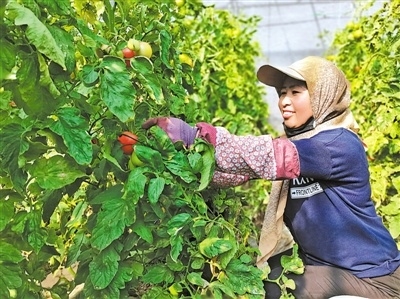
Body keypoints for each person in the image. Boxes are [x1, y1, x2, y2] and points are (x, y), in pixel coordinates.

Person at [142, 56, 400, 298]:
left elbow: (265, 156)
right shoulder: (301, 145)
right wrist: (179, 162)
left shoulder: (337, 144)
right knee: (268, 271)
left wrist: (196, 137)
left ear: (324, 95)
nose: (284, 101)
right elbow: (240, 171)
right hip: (327, 266)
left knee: (269, 288)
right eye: (282, 93)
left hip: (372, 276)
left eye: (295, 92)